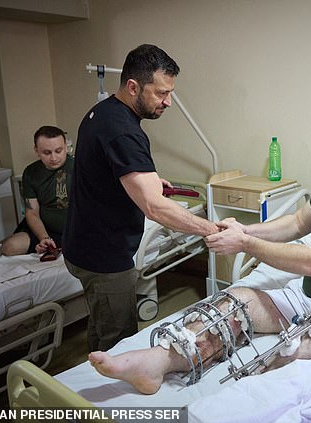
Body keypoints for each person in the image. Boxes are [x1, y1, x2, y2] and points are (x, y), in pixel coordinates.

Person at [85, 123, 311, 395]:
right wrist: (245, 230)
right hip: (309, 295)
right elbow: (295, 223)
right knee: (238, 300)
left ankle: (262, 380)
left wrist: (245, 244)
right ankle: (158, 362)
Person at [63, 44, 219, 353]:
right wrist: (210, 229)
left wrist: (140, 179)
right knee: (118, 342)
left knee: (100, 325)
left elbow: (101, 169)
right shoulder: (124, 131)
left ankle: (90, 385)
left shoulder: (102, 112)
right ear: (133, 86)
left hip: (80, 245)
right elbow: (154, 207)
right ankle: (104, 400)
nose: (169, 102)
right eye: (161, 93)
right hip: (104, 258)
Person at [0, 125, 72, 256]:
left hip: (75, 232)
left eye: (58, 151)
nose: (54, 158)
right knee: (8, 247)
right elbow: (32, 213)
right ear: (36, 151)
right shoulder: (31, 173)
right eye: (47, 153)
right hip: (45, 230)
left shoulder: (80, 167)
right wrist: (44, 238)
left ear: (66, 147)